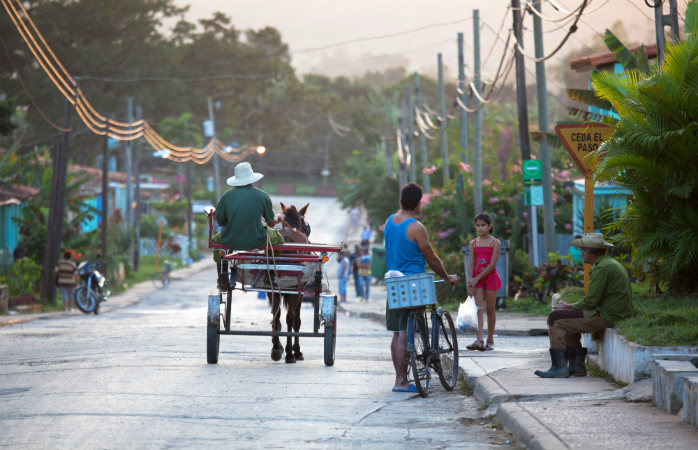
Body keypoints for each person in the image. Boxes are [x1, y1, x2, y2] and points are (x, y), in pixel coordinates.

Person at [384, 182, 460, 392]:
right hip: (413, 285)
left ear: (401, 201)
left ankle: (401, 378)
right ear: (418, 204)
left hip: (393, 283)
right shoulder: (417, 227)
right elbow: (432, 259)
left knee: (398, 333)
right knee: (405, 332)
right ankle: (401, 382)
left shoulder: (390, 221)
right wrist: (446, 277)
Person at [535, 233, 634, 378]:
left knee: (555, 318)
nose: (580, 254)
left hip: (608, 315)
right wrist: (569, 307)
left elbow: (591, 301)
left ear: (589, 252)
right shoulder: (607, 263)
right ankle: (577, 367)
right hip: (614, 313)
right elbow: (592, 300)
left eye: (582, 250)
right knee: (564, 319)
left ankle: (559, 368)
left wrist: (567, 307)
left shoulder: (602, 268)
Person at [213, 162, 284, 290]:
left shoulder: (226, 196)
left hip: (230, 239)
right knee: (279, 239)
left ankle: (222, 276)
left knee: (216, 240)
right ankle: (270, 275)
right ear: (252, 179)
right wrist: (277, 219)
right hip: (257, 239)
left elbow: (220, 222)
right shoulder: (262, 196)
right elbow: (271, 224)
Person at [465, 212, 502, 351]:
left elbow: (492, 265)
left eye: (483, 225)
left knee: (490, 309)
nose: (480, 228)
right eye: (478, 225)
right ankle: (479, 339)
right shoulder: (473, 243)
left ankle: (490, 339)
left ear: (489, 226)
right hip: (476, 280)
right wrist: (470, 280)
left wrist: (476, 278)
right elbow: (471, 263)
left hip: (490, 279)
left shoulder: (495, 243)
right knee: (478, 309)